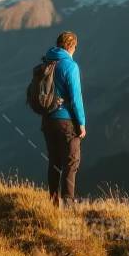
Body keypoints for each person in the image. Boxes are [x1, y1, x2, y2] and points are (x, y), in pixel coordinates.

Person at [40, 30, 85, 208]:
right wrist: (81, 123)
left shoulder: (47, 62)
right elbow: (75, 98)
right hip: (66, 121)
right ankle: (69, 205)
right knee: (71, 162)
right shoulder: (70, 66)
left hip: (48, 120)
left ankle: (53, 203)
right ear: (72, 46)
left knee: (54, 162)